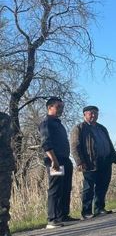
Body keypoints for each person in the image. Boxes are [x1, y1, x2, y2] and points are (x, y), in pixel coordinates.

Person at [71, 105, 116, 219]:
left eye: (96, 113)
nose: (93, 115)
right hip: (90, 163)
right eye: (91, 113)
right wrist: (79, 162)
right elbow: (74, 146)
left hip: (105, 161)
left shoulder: (102, 128)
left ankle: (99, 208)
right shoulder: (79, 128)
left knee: (103, 185)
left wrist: (113, 155)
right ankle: (86, 212)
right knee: (88, 188)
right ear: (84, 115)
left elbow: (108, 142)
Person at [39, 97, 79, 228]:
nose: (61, 109)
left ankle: (63, 215)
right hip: (54, 160)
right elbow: (46, 143)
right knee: (55, 189)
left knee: (65, 188)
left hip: (64, 159)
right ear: (50, 107)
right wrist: (54, 160)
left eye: (62, 107)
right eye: (58, 107)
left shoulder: (58, 123)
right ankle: (52, 218)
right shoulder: (46, 123)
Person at [0, 110, 15, 236]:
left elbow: (4, 138)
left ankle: (3, 230)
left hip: (2, 164)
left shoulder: (4, 119)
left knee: (3, 198)